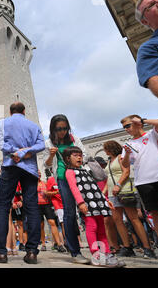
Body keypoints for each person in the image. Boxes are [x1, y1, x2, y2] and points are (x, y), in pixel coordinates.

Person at [0, 102, 45, 264]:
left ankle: (0, 251)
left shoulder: (3, 123)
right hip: (30, 169)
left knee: (3, 206)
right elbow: (41, 144)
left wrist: (15, 152)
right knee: (32, 207)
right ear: (24, 111)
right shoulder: (33, 125)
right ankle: (31, 252)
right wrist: (25, 152)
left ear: (10, 112)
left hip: (10, 165)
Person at [121, 115, 158, 267]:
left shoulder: (153, 134)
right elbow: (126, 165)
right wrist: (126, 154)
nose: (126, 129)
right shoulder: (128, 143)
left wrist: (144, 121)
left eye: (128, 125)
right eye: (124, 127)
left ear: (137, 123)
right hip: (144, 182)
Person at [63, 146, 125, 268]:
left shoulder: (85, 170)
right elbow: (74, 188)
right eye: (75, 155)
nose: (79, 157)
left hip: (98, 202)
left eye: (80, 155)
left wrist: (105, 200)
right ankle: (96, 254)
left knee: (102, 228)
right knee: (92, 227)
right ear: (67, 158)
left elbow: (94, 186)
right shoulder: (70, 172)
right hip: (86, 203)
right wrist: (81, 203)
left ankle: (106, 253)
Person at [43, 114, 91, 264]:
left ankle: (99, 248)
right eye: (59, 129)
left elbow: (86, 155)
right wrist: (51, 155)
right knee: (69, 214)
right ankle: (75, 252)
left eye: (64, 128)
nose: (62, 131)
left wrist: (77, 156)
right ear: (53, 129)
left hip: (80, 177)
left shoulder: (74, 139)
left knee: (89, 210)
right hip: (63, 179)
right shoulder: (49, 142)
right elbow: (48, 165)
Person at [102, 140, 156, 259]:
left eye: (105, 148)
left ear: (110, 148)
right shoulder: (109, 161)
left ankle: (148, 248)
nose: (104, 150)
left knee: (133, 219)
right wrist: (104, 192)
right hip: (112, 193)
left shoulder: (120, 158)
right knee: (118, 220)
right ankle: (127, 247)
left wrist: (118, 185)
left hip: (124, 190)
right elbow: (109, 177)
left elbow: (126, 172)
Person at [37, 171, 65, 253]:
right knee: (41, 225)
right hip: (37, 205)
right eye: (37, 172)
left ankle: (59, 244)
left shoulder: (45, 183)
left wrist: (53, 193)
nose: (39, 174)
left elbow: (49, 193)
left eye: (39, 173)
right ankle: (43, 244)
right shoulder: (31, 184)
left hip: (46, 205)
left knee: (52, 222)